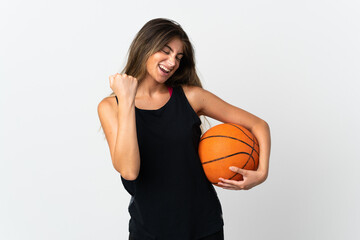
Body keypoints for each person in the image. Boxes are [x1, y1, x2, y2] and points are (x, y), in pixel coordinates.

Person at [97, 18, 271, 240]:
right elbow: (130, 171)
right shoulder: (111, 106)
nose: (172, 62)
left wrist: (262, 173)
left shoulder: (191, 97)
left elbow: (259, 125)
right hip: (149, 231)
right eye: (165, 51)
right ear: (145, 47)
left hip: (203, 227)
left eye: (178, 57)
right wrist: (127, 98)